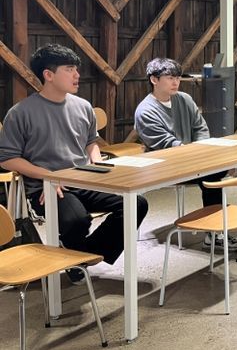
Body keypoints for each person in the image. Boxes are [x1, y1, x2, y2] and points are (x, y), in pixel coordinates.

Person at [0, 44, 148, 282]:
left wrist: (97, 162)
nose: (77, 75)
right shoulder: (20, 113)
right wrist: (48, 176)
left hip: (84, 178)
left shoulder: (83, 107)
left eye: (76, 69)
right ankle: (78, 256)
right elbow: (8, 159)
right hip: (46, 187)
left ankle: (83, 255)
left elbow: (91, 142)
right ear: (48, 75)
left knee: (137, 204)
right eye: (69, 69)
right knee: (76, 220)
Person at [134, 57, 235, 249]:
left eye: (178, 78)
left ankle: (215, 230)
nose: (176, 82)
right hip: (163, 165)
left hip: (192, 159)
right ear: (154, 80)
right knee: (214, 173)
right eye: (170, 78)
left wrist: (201, 150)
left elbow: (200, 127)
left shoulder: (184, 99)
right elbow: (167, 145)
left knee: (213, 172)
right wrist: (198, 154)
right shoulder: (145, 111)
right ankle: (214, 231)